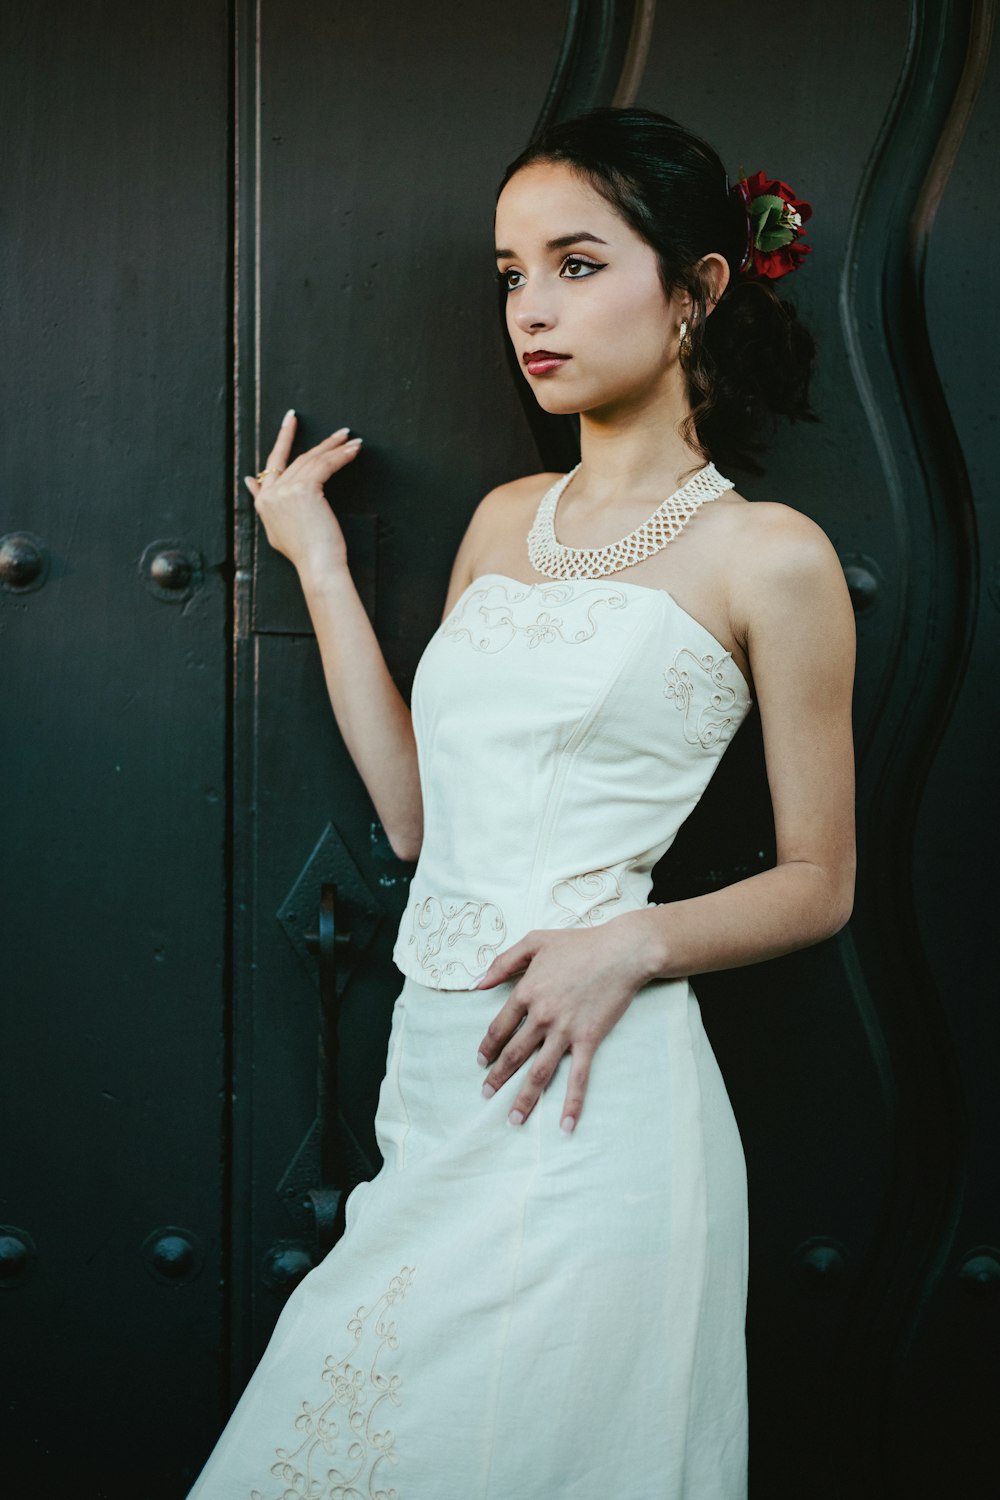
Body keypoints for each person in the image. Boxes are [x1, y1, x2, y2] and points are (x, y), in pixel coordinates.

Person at [188, 106, 856, 1499]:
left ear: (699, 289)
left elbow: (821, 880)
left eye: (576, 263)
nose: (531, 309)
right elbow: (423, 819)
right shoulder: (506, 521)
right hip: (435, 1090)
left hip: (594, 1098)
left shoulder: (768, 557)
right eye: (511, 275)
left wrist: (632, 941)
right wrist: (314, 559)